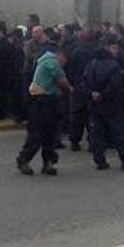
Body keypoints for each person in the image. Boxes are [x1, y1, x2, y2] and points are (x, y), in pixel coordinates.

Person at [83, 35, 124, 171]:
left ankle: (100, 161)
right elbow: (115, 85)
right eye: (114, 48)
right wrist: (103, 94)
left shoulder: (92, 63)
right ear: (107, 49)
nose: (116, 51)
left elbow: (86, 81)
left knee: (97, 132)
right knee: (118, 133)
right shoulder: (114, 65)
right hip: (111, 103)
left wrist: (93, 93)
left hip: (95, 102)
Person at [16, 42, 72, 175]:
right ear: (61, 56)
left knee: (50, 135)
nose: (64, 64)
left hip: (47, 101)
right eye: (65, 61)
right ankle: (24, 159)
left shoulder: (44, 60)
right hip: (43, 101)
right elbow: (62, 80)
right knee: (38, 134)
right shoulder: (52, 62)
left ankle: (48, 163)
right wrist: (71, 89)